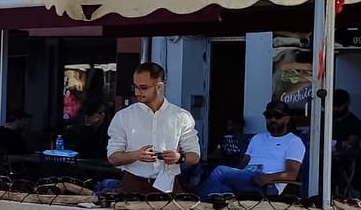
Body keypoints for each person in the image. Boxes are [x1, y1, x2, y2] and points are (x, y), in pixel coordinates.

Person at [106, 62, 201, 193]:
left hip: (169, 185)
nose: (137, 92)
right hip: (134, 183)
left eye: (143, 88)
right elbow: (112, 157)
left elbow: (195, 155)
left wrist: (179, 158)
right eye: (135, 87)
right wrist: (136, 155)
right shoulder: (123, 116)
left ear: (159, 86)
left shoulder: (181, 116)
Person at [198, 101, 306, 198]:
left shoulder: (293, 141)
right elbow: (243, 164)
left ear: (287, 119)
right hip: (246, 177)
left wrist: (268, 177)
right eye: (269, 116)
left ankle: (196, 205)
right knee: (219, 189)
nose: (272, 119)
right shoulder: (257, 138)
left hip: (266, 183)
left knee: (220, 171)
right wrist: (233, 174)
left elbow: (292, 174)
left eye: (277, 116)